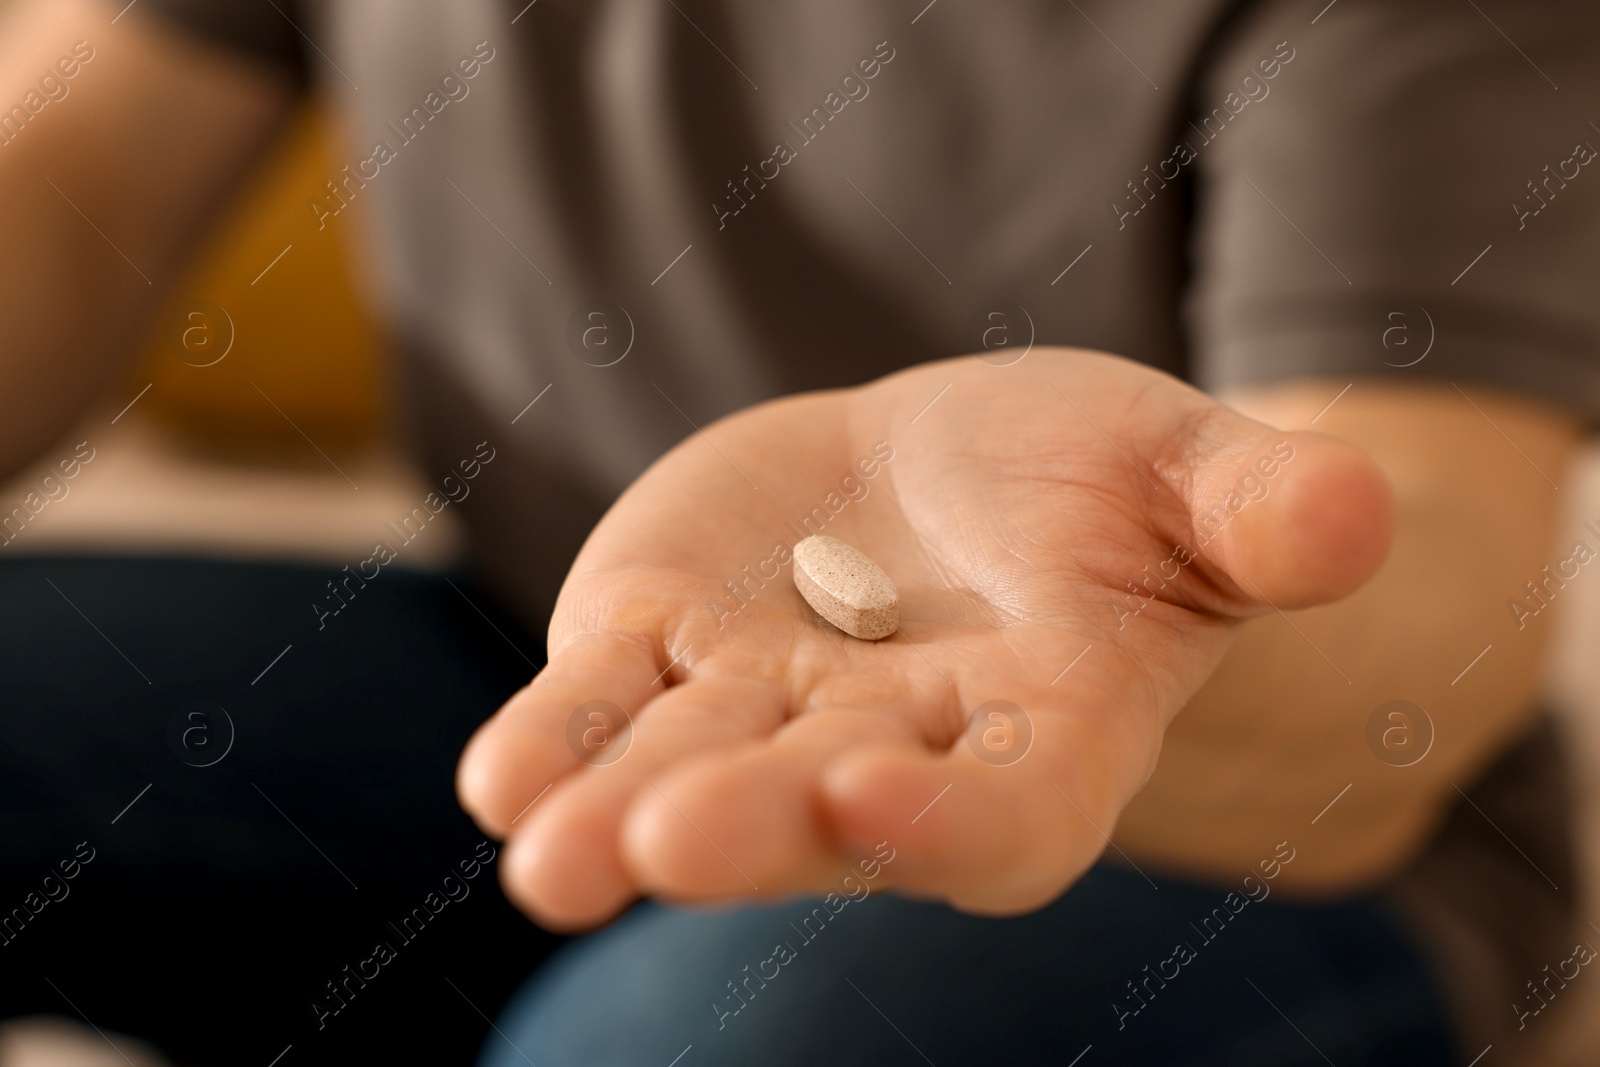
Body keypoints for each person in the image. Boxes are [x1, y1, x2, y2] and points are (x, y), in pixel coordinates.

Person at [1, 0, 1595, 1063]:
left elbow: (1427, 588)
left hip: (1201, 838)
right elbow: (87, 176)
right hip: (541, 662)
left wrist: (1129, 643)